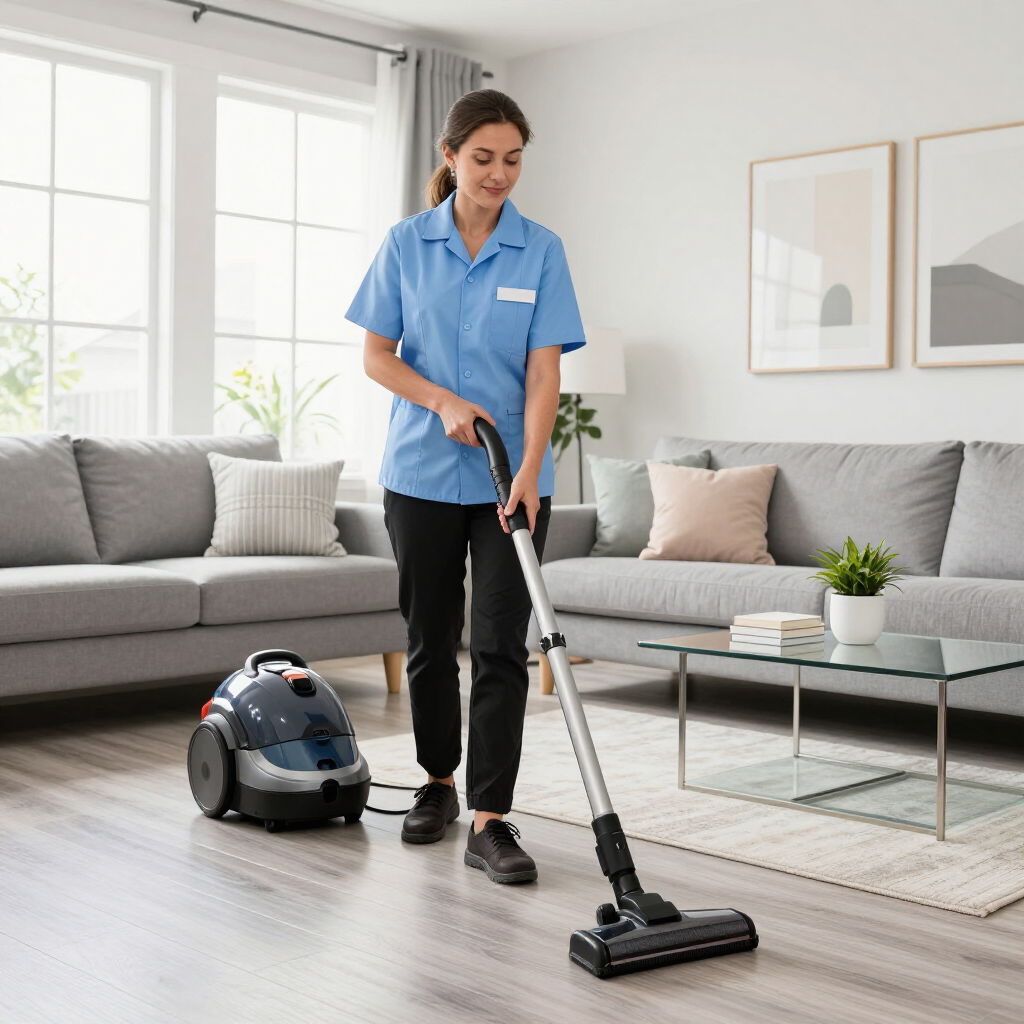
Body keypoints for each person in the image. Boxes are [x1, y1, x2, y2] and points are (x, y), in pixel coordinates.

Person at [345, 89, 585, 884]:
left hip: (512, 480)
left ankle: (491, 817)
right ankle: (438, 784)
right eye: (483, 158)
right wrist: (441, 400)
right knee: (429, 637)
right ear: (450, 156)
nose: (498, 174)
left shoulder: (540, 250)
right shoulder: (407, 244)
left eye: (512, 159)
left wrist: (529, 466)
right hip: (418, 471)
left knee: (500, 645)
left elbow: (546, 372)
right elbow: (378, 355)